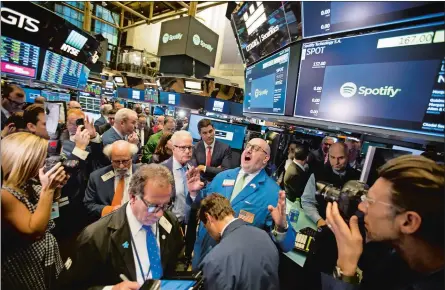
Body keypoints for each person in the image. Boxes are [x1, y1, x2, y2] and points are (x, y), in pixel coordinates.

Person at [323, 155, 444, 290]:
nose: (361, 207)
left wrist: (346, 268)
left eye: (370, 202)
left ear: (408, 222)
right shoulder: (394, 258)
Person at [57, 164, 185, 290]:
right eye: (153, 206)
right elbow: (70, 286)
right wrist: (111, 289)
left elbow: (177, 260)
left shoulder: (169, 221)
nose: (160, 214)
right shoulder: (95, 237)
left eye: (165, 205)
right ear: (133, 196)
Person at [187, 138, 296, 269]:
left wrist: (282, 228)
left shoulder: (273, 193)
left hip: (234, 267)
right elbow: (201, 206)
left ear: (266, 158)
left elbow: (288, 246)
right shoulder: (222, 177)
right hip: (202, 255)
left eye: (255, 148)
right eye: (248, 146)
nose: (248, 150)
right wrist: (194, 194)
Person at [1, 132, 68, 289]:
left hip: (44, 259)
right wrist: (49, 189)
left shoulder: (28, 183)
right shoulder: (5, 194)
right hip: (23, 266)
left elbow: (49, 207)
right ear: (26, 161)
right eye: (41, 160)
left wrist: (56, 188)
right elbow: (34, 230)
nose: (45, 165)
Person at [199, 193, 280, 290]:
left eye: (205, 227)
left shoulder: (214, 260)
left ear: (208, 218)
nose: (208, 232)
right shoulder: (265, 236)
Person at [302, 142, 361, 228]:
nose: (336, 162)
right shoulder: (317, 175)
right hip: (323, 226)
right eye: (332, 157)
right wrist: (318, 220)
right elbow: (307, 201)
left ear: (348, 156)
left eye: (341, 158)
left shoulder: (357, 178)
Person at [83, 140, 139, 221]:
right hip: (109, 223)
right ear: (110, 158)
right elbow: (88, 204)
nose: (121, 166)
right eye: (116, 161)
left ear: (132, 157)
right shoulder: (96, 177)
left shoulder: (144, 173)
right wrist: (109, 210)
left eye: (125, 161)